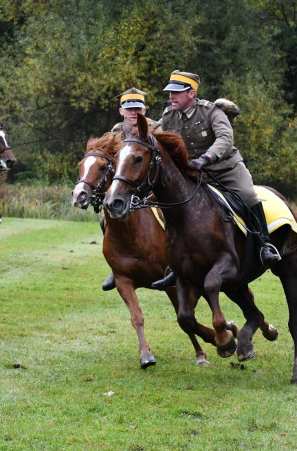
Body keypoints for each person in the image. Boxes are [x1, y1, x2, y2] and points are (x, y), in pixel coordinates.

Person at [153, 70, 280, 289]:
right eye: (170, 92)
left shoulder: (211, 112)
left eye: (176, 93)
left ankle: (265, 245)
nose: (171, 96)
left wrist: (207, 157)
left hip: (225, 168)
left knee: (248, 195)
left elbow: (225, 138)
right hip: (194, 173)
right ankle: (176, 266)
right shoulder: (168, 117)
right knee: (171, 206)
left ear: (191, 93)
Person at [101, 87, 159, 291]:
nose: (133, 113)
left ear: (144, 110)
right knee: (106, 219)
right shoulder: (115, 133)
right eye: (129, 108)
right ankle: (117, 268)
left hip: (152, 190)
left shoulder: (156, 128)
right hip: (126, 190)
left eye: (138, 108)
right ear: (121, 111)